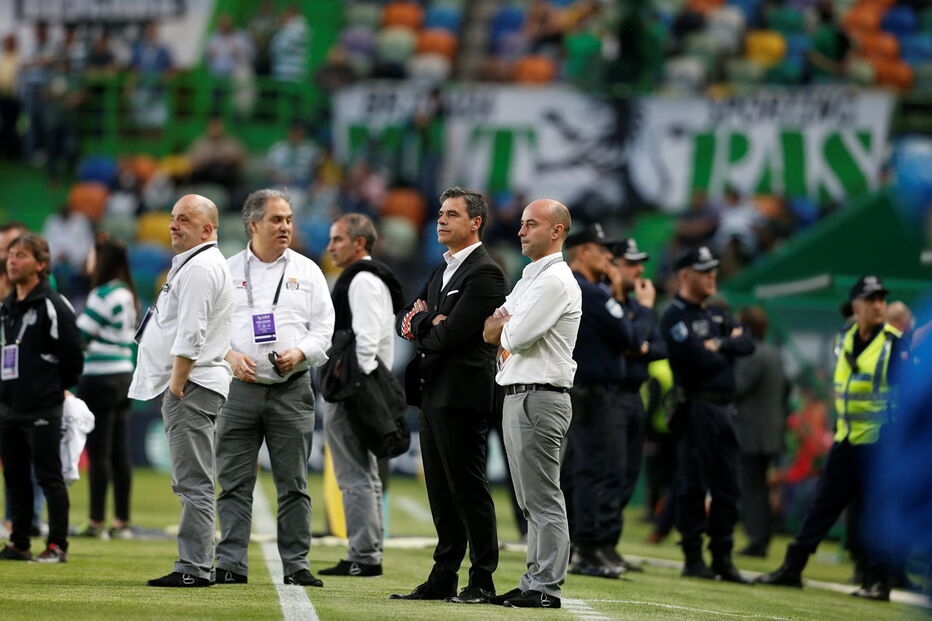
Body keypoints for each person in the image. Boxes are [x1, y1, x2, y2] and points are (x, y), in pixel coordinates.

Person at [756, 275, 907, 602]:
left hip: (879, 444)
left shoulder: (895, 344)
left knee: (875, 514)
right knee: (821, 508)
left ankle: (880, 581)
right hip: (847, 439)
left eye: (881, 298)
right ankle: (792, 569)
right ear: (856, 306)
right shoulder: (844, 338)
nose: (878, 305)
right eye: (870, 299)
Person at [215, 189, 334, 587]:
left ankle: (297, 564)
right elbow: (208, 330)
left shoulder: (309, 270)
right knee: (233, 482)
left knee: (294, 484)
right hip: (237, 389)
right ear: (253, 225)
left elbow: (324, 331)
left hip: (292, 389)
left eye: (288, 219)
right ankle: (230, 562)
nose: (285, 226)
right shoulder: (226, 271)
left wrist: (300, 352)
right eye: (276, 220)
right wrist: (229, 356)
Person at [392, 187, 505, 604]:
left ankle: (482, 580)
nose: (440, 220)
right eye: (440, 213)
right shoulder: (441, 271)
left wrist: (424, 323)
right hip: (431, 391)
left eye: (452, 214)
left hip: (462, 395)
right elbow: (403, 320)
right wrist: (425, 320)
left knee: (468, 489)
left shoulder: (486, 273)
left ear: (475, 222)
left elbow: (451, 336)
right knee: (440, 490)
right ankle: (443, 577)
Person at [128, 194, 233, 587]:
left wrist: (176, 383)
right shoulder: (194, 265)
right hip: (195, 382)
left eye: (183, 220)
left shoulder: (201, 268)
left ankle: (193, 568)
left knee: (193, 481)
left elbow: (192, 330)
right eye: (173, 218)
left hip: (192, 384)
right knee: (193, 479)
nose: (173, 225)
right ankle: (196, 563)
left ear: (207, 229)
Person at [482, 199, 581, 609]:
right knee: (529, 500)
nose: (521, 231)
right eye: (521, 224)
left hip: (540, 396)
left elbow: (513, 335)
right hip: (520, 394)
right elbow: (492, 326)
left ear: (556, 230)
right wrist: (504, 325)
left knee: (542, 498)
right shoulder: (529, 278)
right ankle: (533, 581)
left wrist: (505, 325)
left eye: (531, 225)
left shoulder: (555, 281)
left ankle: (545, 587)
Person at [659, 245, 754, 583]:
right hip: (695, 406)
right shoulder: (674, 316)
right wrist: (722, 347)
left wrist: (720, 346)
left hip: (724, 408)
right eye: (704, 270)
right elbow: (698, 361)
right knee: (693, 484)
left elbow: (748, 343)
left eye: (714, 269)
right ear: (685, 276)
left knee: (728, 485)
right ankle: (693, 556)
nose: (713, 275)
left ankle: (723, 558)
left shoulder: (715, 314)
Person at [320, 213, 404, 577]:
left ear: (359, 243)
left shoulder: (362, 280)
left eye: (338, 239)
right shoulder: (369, 278)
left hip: (357, 387)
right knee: (364, 473)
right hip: (365, 384)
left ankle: (364, 554)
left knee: (355, 474)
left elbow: (367, 341)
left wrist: (354, 386)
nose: (330, 247)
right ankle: (366, 549)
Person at [0, 233, 83, 562]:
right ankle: (19, 543)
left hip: (43, 406)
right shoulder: (6, 307)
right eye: (11, 254)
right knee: (15, 478)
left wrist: (53, 388)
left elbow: (73, 355)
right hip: (9, 406)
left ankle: (57, 545)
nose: (12, 260)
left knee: (49, 477)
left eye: (21, 255)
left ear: (41, 264)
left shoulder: (53, 303)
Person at [561, 223, 635, 579]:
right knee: (594, 471)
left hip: (584, 392)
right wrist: (618, 295)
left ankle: (588, 545)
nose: (609, 255)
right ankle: (588, 547)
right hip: (591, 394)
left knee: (589, 470)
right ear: (582, 251)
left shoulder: (582, 288)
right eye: (601, 247)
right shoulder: (590, 292)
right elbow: (628, 335)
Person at [76, 236, 139, 540]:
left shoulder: (102, 294)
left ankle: (96, 521)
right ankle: (121, 521)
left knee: (98, 452)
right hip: (125, 375)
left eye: (92, 254)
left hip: (99, 377)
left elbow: (80, 336)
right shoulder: (126, 293)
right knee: (119, 452)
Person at [610, 237, 667, 571]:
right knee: (604, 471)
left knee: (627, 474)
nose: (639, 269)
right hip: (608, 393)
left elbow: (659, 348)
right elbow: (626, 341)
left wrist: (638, 346)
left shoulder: (636, 305)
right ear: (614, 265)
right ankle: (586, 543)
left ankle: (608, 544)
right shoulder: (610, 300)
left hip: (634, 395)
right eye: (631, 263)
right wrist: (637, 339)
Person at [733, 306, 787, 558]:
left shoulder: (751, 353)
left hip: (752, 433)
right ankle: (762, 536)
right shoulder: (774, 353)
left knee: (752, 488)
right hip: (772, 432)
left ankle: (757, 539)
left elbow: (739, 386)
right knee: (761, 488)